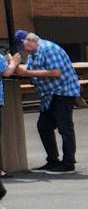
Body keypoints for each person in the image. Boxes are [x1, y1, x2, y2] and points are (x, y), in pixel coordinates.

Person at [10, 32, 82, 172]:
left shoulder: (48, 49)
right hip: (49, 95)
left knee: (65, 128)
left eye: (22, 46)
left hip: (62, 92)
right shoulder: (34, 54)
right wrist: (14, 67)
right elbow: (31, 71)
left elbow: (56, 72)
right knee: (43, 126)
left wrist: (26, 73)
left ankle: (68, 162)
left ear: (29, 40)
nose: (23, 50)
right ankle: (53, 160)